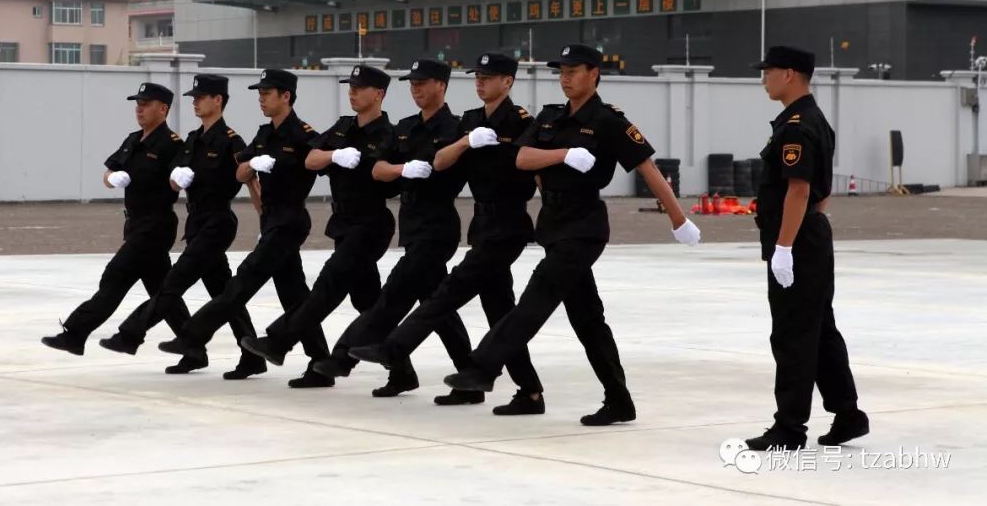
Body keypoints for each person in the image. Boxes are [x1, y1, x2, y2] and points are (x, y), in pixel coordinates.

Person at [443, 44, 701, 426]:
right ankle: (619, 400)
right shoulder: (551, 117)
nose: (565, 79)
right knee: (588, 320)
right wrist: (563, 154)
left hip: (583, 226)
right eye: (561, 72)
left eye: (573, 71)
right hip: (553, 223)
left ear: (594, 73)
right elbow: (522, 158)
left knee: (537, 296)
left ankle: (483, 367)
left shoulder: (609, 121)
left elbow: (647, 168)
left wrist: (679, 219)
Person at [248, 59, 474, 399]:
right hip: (386, 225)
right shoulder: (401, 128)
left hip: (400, 225)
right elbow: (360, 166)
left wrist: (401, 169)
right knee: (411, 304)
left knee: (340, 284)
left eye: (422, 82)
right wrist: (343, 158)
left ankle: (294, 344)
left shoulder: (442, 128)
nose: (352, 93)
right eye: (412, 83)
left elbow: (412, 170)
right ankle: (421, 374)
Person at [349, 52, 545, 415]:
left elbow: (536, 169)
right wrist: (467, 142)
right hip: (482, 224)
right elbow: (440, 161)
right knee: (499, 310)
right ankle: (529, 392)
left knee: (450, 291)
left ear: (508, 82)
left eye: (489, 77)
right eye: (478, 76)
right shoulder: (470, 121)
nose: (480, 82)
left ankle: (396, 347)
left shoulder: (521, 121)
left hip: (509, 223)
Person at [154, 69, 331, 387]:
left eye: (266, 93)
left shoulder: (302, 134)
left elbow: (318, 160)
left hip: (290, 220)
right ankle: (320, 363)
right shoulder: (264, 134)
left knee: (243, 280)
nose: (261, 99)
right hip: (272, 221)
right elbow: (240, 173)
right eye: (259, 94)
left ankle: (193, 335)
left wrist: (331, 155)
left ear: (286, 96)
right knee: (294, 295)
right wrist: (251, 166)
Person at [97, 74, 267, 379]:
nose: (195, 102)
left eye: (200, 97)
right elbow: (175, 178)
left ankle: (131, 334)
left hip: (217, 222)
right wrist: (176, 180)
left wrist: (264, 221)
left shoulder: (231, 140)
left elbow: (251, 179)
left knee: (174, 281)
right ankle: (248, 356)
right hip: (196, 222)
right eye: (193, 98)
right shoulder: (191, 140)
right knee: (223, 292)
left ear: (218, 100)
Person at [241, 65, 399, 390]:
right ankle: (401, 370)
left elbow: (383, 173)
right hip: (343, 224)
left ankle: (280, 341)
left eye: (359, 88)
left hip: (370, 223)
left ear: (379, 94)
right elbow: (311, 158)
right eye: (350, 87)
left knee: (328, 284)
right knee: (368, 302)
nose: (352, 92)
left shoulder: (388, 134)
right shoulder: (343, 126)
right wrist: (334, 155)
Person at [744, 45, 868, 451]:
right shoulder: (813, 120)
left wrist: (784, 247)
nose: (764, 79)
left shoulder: (797, 126)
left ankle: (790, 427)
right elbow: (820, 191)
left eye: (769, 72)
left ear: (790, 75)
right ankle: (848, 415)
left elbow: (798, 190)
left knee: (792, 334)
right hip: (810, 236)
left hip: (796, 241)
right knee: (819, 329)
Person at [41, 83, 183, 356]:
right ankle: (192, 344)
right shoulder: (133, 139)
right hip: (135, 224)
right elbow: (108, 172)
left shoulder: (172, 144)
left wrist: (178, 178)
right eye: (137, 104)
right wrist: (112, 178)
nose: (139, 109)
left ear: (163, 109)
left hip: (155, 225)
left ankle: (76, 333)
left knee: (115, 276)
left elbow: (179, 178)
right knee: (162, 290)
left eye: (146, 104)